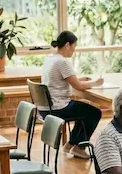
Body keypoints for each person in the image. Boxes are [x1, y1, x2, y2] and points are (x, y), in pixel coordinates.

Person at [42, 31, 104, 159]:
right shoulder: (62, 62)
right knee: (94, 112)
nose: (74, 51)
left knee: (84, 110)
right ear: (67, 45)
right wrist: (96, 83)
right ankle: (79, 147)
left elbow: (64, 79)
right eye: (74, 47)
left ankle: (71, 144)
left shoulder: (51, 58)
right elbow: (78, 86)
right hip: (58, 108)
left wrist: (79, 79)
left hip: (46, 107)